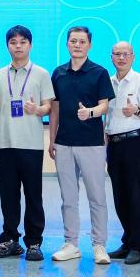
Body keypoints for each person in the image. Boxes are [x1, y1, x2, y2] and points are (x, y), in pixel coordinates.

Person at [0, 25, 55, 262]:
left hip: (31, 145)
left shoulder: (41, 74)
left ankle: (34, 242)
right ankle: (10, 239)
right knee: (8, 195)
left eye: (23, 42)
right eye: (13, 42)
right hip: (5, 145)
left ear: (30, 45)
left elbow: (49, 106)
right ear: (7, 46)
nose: (18, 46)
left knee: (33, 195)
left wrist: (38, 110)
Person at [49, 26, 115, 264]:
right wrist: (52, 139)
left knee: (97, 197)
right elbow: (55, 109)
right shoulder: (58, 73)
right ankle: (71, 244)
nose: (77, 45)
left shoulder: (99, 72)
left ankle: (99, 245)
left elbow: (105, 105)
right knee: (68, 198)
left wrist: (90, 112)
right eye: (73, 41)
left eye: (82, 41)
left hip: (91, 143)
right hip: (64, 143)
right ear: (67, 44)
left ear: (89, 45)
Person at [105, 41, 140, 266]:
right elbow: (106, 116)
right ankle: (127, 241)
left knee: (135, 195)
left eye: (125, 54)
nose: (121, 58)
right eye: (117, 54)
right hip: (114, 144)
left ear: (133, 57)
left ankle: (138, 247)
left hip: (134, 142)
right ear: (111, 57)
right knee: (120, 196)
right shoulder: (108, 82)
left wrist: (135, 110)